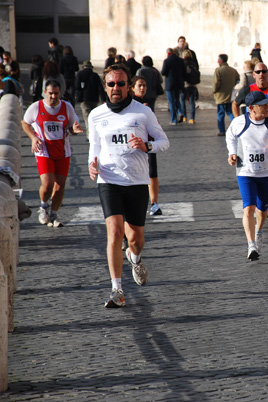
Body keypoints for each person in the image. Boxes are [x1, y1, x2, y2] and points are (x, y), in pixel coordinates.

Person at [88, 64, 170, 308]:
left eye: (121, 83)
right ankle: (117, 289)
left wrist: (147, 146)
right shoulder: (95, 115)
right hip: (108, 179)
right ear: (105, 86)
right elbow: (95, 148)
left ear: (128, 86)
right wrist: (91, 165)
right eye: (111, 84)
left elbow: (164, 142)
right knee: (114, 232)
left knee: (136, 239)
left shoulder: (142, 113)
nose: (116, 88)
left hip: (136, 181)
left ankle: (135, 258)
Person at [226, 91, 268, 260]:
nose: (267, 106)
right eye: (262, 105)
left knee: (262, 209)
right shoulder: (239, 122)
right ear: (251, 109)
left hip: (266, 172)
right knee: (248, 207)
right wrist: (232, 153)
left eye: (267, 103)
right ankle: (251, 244)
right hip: (245, 172)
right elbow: (230, 137)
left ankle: (259, 232)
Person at [21, 80, 83, 227]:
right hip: (43, 151)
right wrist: (33, 137)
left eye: (56, 93)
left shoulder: (67, 107)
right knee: (48, 183)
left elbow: (72, 128)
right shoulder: (36, 107)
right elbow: (25, 123)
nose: (53, 96)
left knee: (60, 185)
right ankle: (43, 207)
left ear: (60, 93)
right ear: (45, 93)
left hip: (63, 151)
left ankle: (54, 214)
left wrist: (75, 130)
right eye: (50, 93)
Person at [131, 76, 163, 216]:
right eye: (139, 85)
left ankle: (154, 203)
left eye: (144, 85)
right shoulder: (131, 104)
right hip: (135, 144)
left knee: (153, 174)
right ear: (132, 88)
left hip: (148, 143)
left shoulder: (147, 103)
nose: (142, 88)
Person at [75, 60, 106, 136]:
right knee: (94, 116)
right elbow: (100, 88)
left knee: (87, 117)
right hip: (94, 98)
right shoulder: (95, 75)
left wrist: (78, 97)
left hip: (84, 98)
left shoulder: (80, 74)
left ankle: (89, 135)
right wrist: (103, 99)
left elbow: (77, 86)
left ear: (83, 67)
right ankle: (94, 133)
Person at [213, 53, 240, 136]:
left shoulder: (218, 70)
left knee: (220, 113)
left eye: (218, 59)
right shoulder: (233, 70)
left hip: (221, 95)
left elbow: (216, 82)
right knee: (230, 112)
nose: (217, 61)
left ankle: (222, 130)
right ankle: (236, 128)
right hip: (230, 95)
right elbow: (238, 80)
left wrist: (214, 90)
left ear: (221, 61)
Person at [161, 47, 186, 125]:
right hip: (178, 84)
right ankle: (180, 112)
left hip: (170, 84)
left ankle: (173, 120)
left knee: (171, 102)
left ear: (168, 53)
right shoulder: (181, 60)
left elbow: (163, 72)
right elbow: (184, 72)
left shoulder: (167, 61)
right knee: (177, 100)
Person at [182, 49, 200, 124]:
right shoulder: (194, 64)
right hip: (193, 84)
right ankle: (192, 118)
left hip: (185, 84)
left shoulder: (183, 63)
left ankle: (184, 116)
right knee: (192, 101)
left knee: (182, 100)